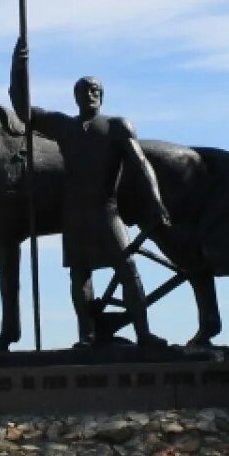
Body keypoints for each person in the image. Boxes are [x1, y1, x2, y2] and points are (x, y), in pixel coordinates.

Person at [10, 38, 171, 348]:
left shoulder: (116, 126)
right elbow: (24, 111)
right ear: (76, 97)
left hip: (106, 211)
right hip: (74, 214)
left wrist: (156, 202)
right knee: (80, 276)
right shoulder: (64, 127)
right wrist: (19, 68)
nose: (90, 94)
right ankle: (87, 335)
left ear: (102, 96)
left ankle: (144, 334)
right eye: (84, 91)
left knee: (128, 270)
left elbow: (141, 164)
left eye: (95, 90)